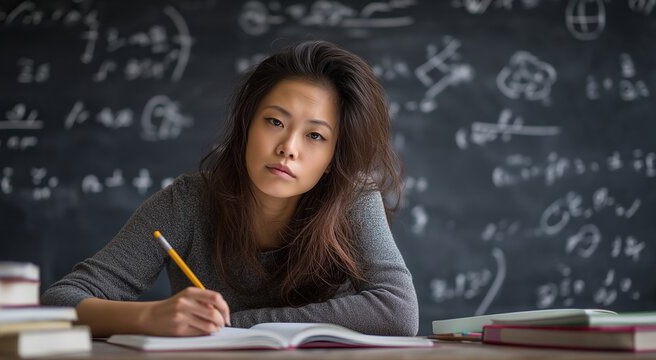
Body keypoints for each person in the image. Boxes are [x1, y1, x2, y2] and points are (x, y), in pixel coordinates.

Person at [41, 40, 419, 337]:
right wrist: (147, 316)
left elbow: (398, 311)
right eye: (274, 122)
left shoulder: (352, 199)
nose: (288, 147)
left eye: (315, 135)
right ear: (246, 126)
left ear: (334, 157)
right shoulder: (188, 202)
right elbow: (59, 301)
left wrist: (233, 325)